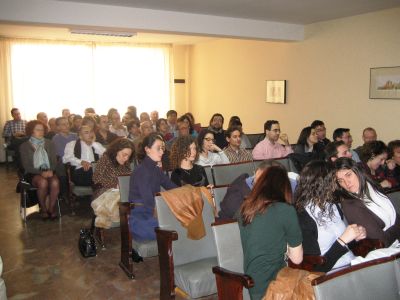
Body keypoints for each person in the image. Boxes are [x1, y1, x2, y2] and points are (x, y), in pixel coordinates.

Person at [239, 166, 303, 300]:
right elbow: (297, 259)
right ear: (284, 187)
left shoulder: (245, 209)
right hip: (276, 286)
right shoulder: (286, 210)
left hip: (254, 284)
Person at [295, 160, 366, 272]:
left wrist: (357, 235)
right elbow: (317, 268)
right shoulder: (303, 216)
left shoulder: (333, 206)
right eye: (334, 181)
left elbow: (348, 245)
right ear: (322, 184)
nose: (336, 185)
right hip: (331, 275)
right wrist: (342, 241)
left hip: (353, 264)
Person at [334, 157, 400, 247]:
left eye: (348, 175)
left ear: (357, 171)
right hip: (388, 252)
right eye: (340, 180)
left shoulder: (372, 186)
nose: (347, 183)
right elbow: (382, 242)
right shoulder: (351, 205)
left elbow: (395, 216)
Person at [128, 133, 177, 242]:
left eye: (163, 148)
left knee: (179, 222)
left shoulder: (155, 170)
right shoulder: (140, 171)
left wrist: (188, 191)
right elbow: (148, 201)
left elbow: (171, 187)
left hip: (154, 212)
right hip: (141, 217)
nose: (162, 151)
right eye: (158, 148)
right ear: (147, 149)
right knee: (174, 227)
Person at [19, 120, 59, 219]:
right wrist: (41, 172)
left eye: (42, 130)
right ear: (31, 131)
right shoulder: (24, 146)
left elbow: (54, 162)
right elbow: (26, 166)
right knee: (42, 183)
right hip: (32, 172)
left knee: (55, 183)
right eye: (38, 130)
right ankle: (43, 208)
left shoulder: (49, 143)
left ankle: (51, 208)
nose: (41, 132)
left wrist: (50, 171)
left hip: (49, 170)